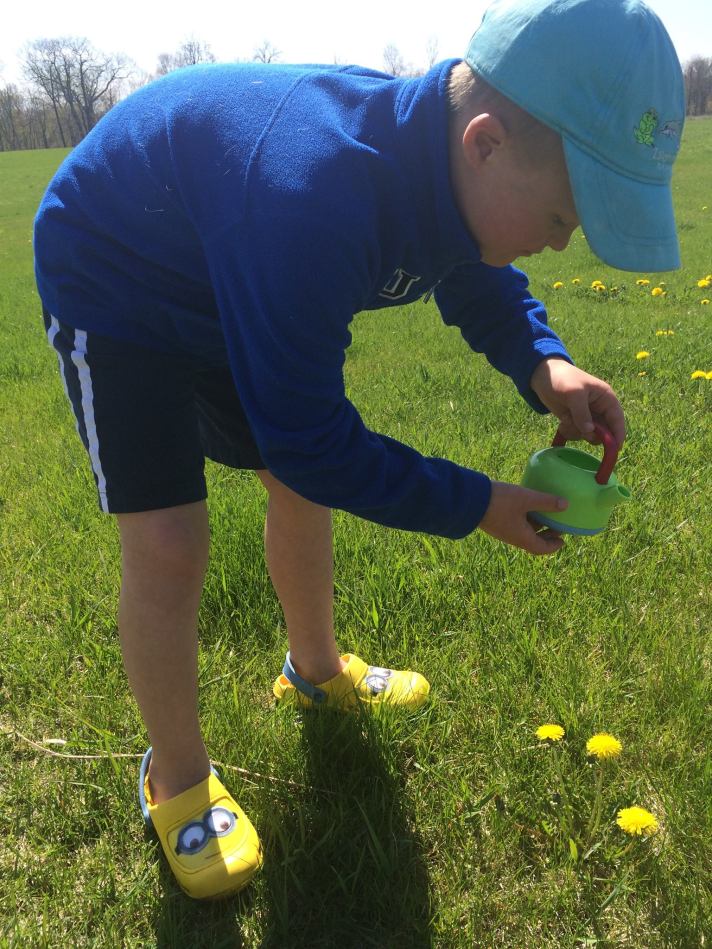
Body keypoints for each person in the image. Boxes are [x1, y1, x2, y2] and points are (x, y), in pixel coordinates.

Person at [33, 0, 683, 900]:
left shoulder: (445, 166)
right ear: (486, 143)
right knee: (171, 539)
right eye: (566, 218)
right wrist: (480, 503)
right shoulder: (318, 193)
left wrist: (547, 365)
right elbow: (314, 441)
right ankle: (174, 776)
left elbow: (473, 271)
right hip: (121, 273)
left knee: (297, 487)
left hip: (233, 269)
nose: (562, 240)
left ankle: (316, 671)